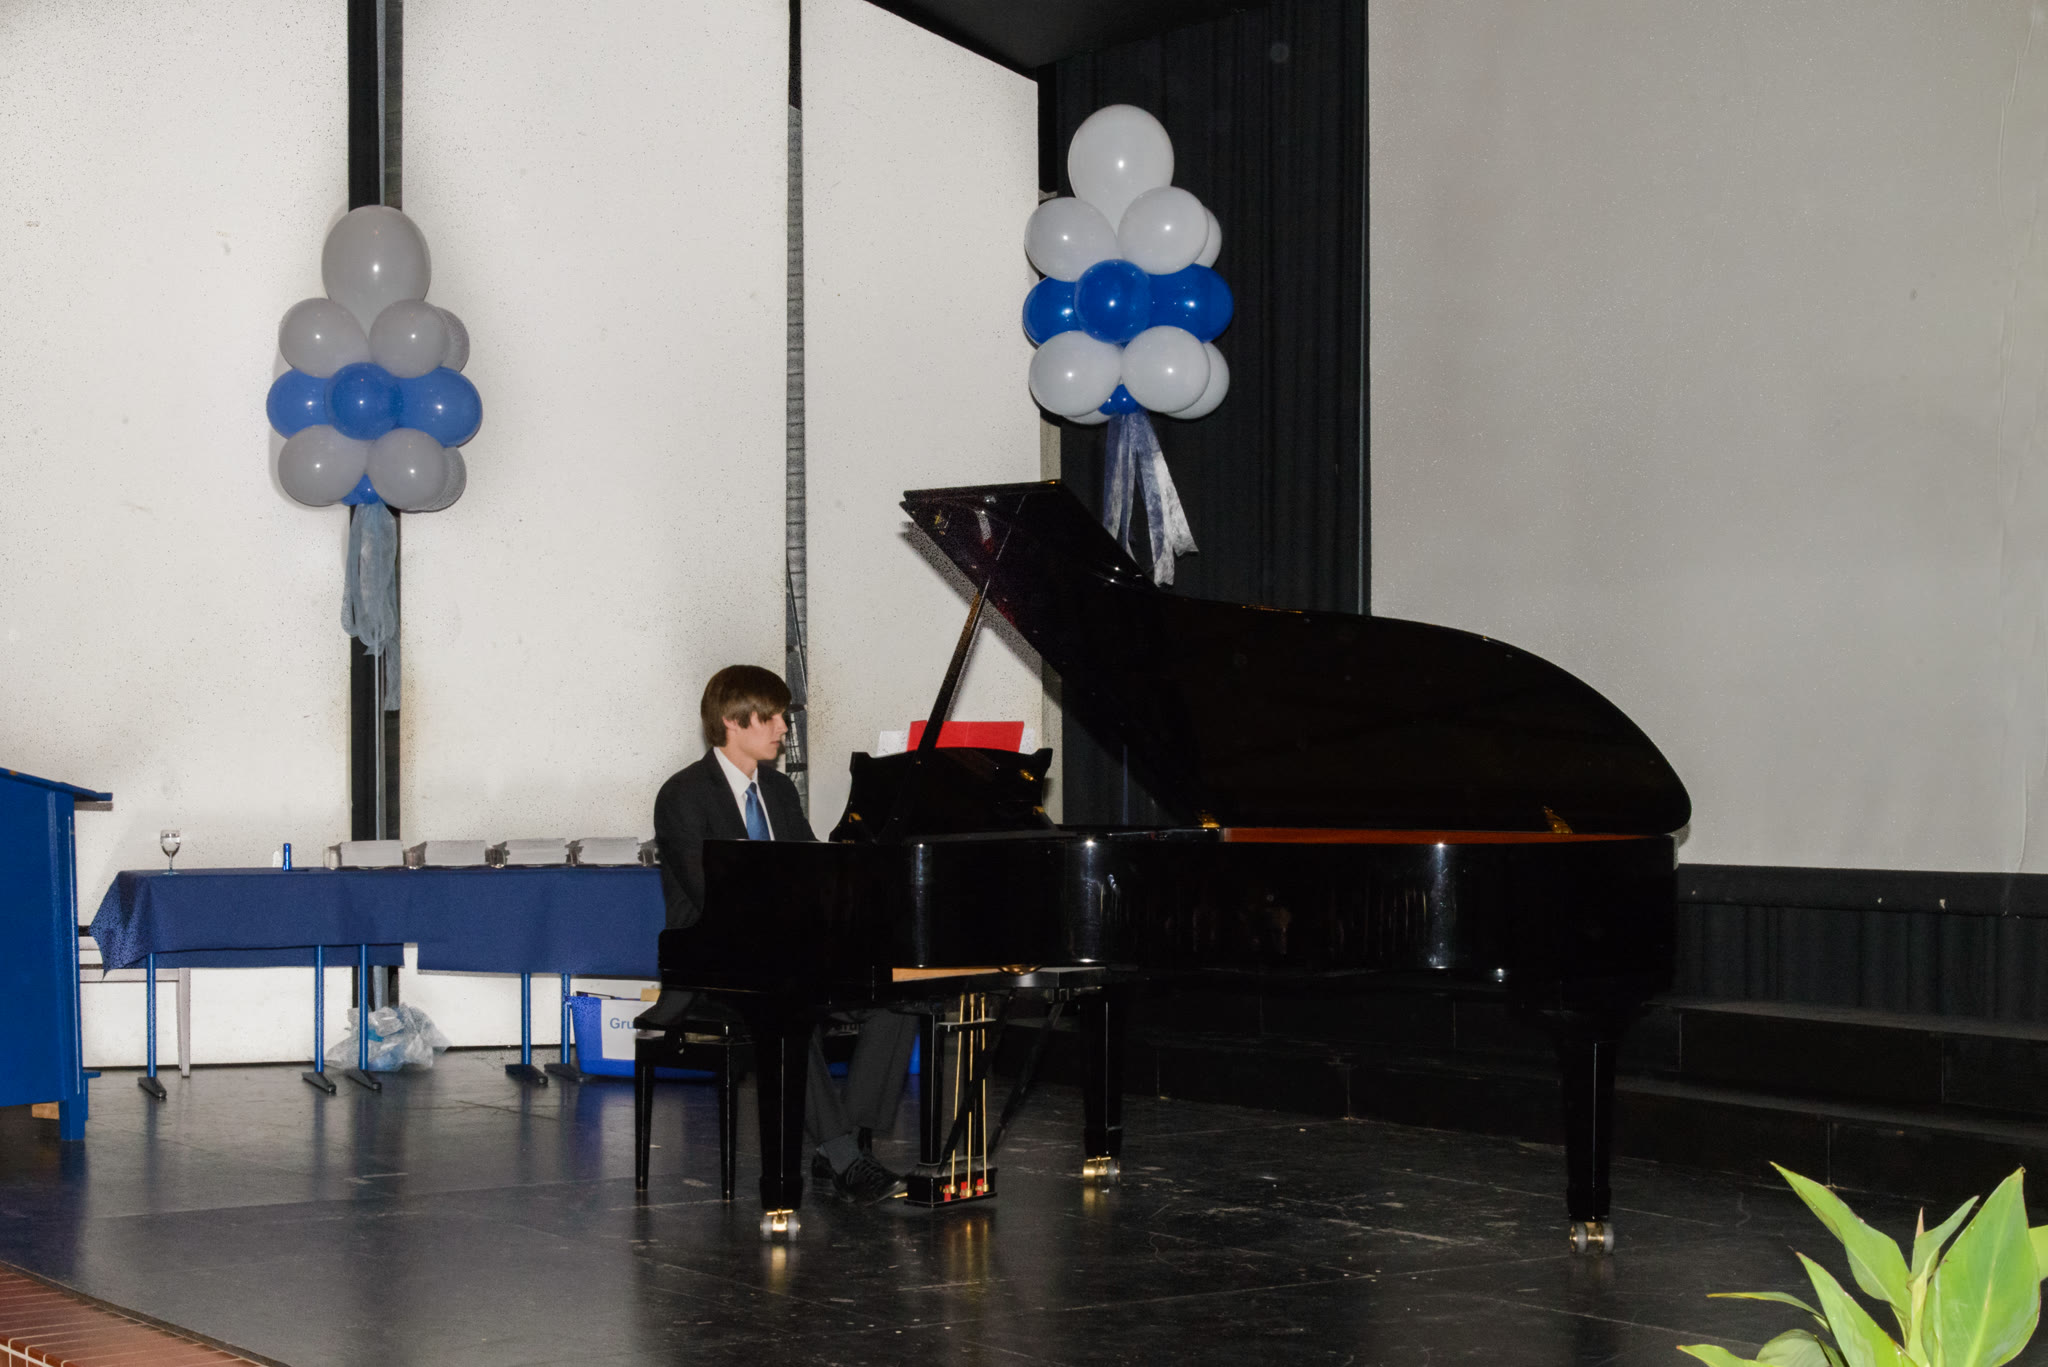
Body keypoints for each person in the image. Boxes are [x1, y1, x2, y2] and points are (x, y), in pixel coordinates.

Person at [637, 664, 916, 1204]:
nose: (784, 728)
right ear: (732, 721)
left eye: (782, 716)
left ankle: (845, 1144)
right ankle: (844, 1157)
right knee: (784, 1007)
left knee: (897, 997)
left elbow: (811, 871)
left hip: (790, 953)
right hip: (714, 962)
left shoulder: (780, 790)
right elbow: (708, 895)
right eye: (771, 717)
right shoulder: (683, 794)